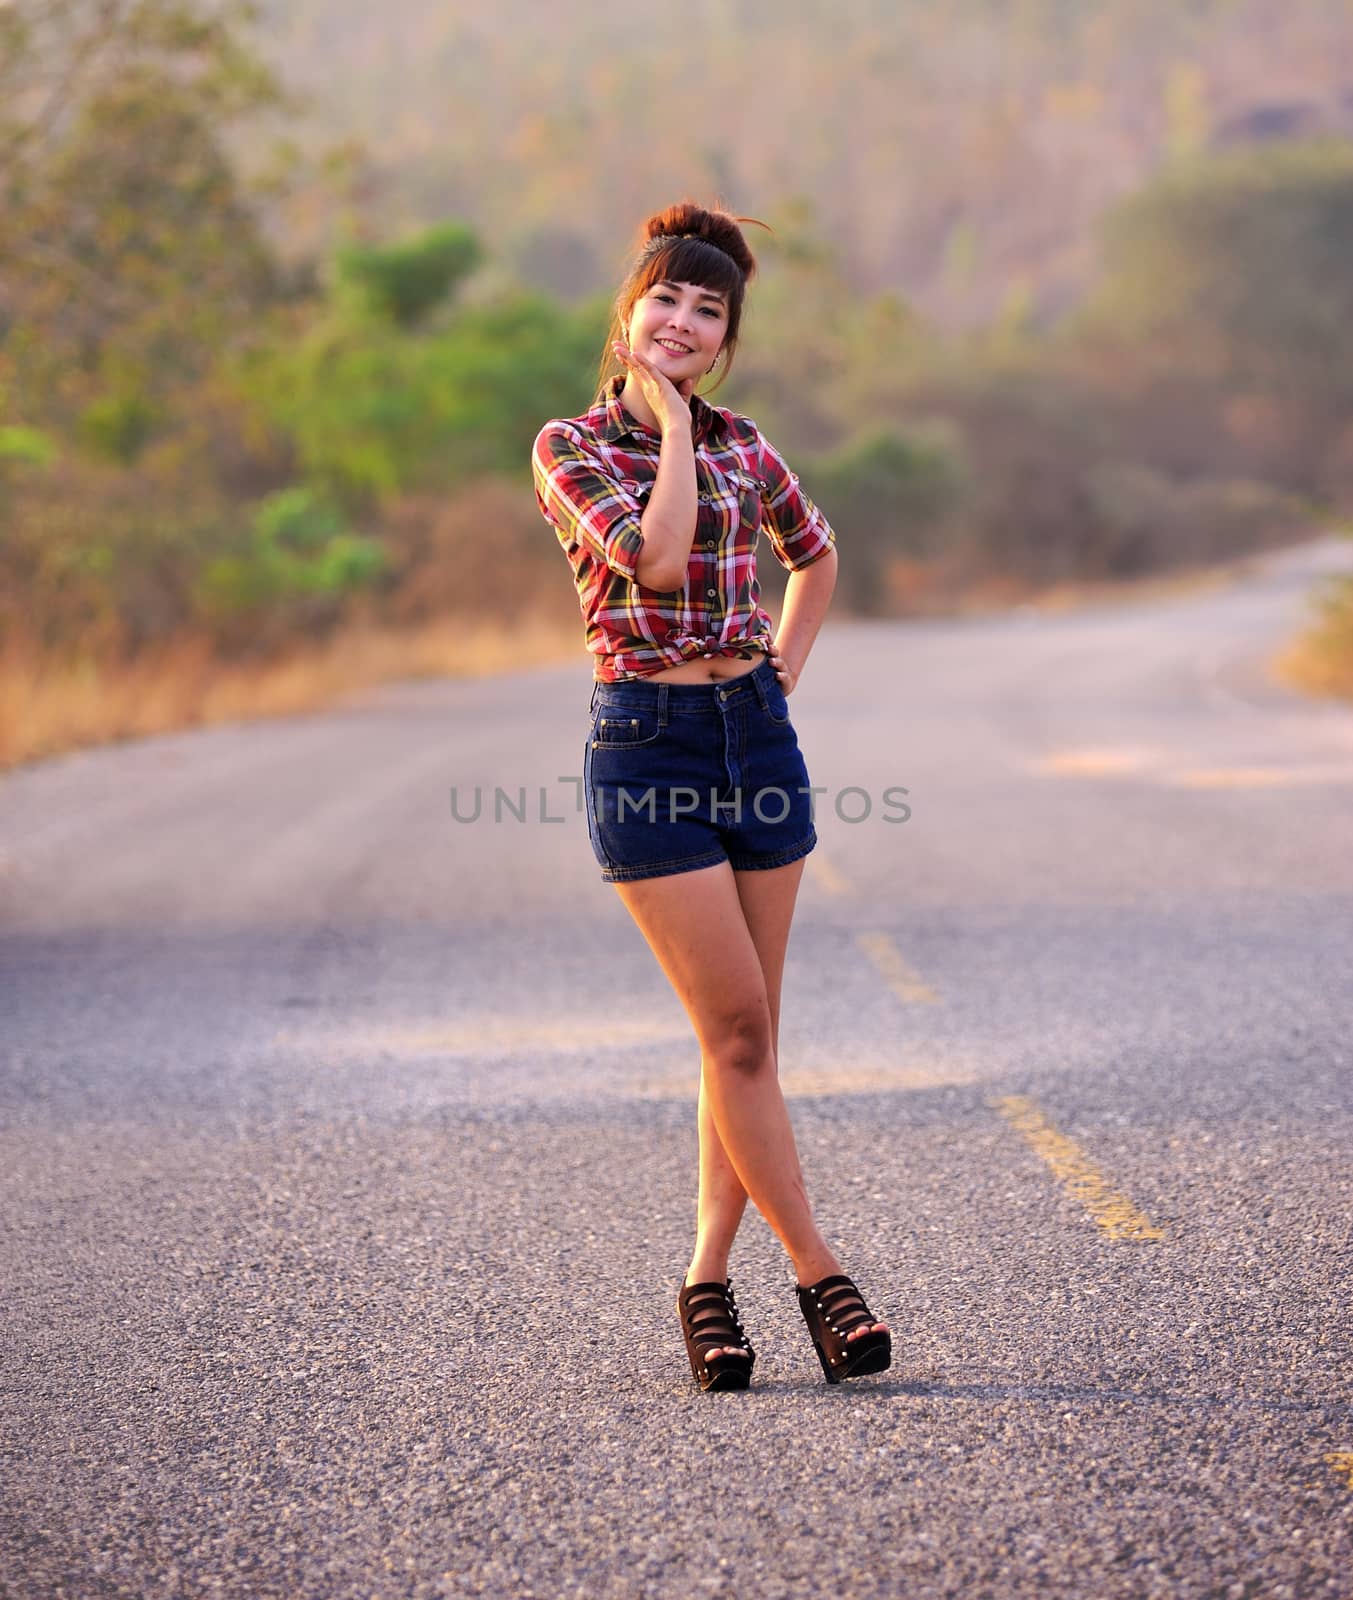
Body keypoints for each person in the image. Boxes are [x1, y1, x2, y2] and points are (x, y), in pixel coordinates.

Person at [531, 201, 890, 1391]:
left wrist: (780, 672)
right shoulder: (570, 447)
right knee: (735, 1028)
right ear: (627, 313)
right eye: (667, 301)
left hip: (757, 738)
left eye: (709, 308)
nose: (683, 321)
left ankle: (704, 1282)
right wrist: (674, 427)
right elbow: (660, 558)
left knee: (744, 1041)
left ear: (727, 332)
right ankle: (819, 1274)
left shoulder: (751, 443)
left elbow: (817, 550)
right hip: (646, 748)